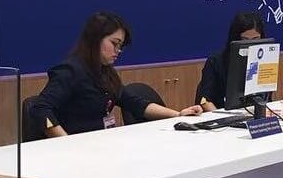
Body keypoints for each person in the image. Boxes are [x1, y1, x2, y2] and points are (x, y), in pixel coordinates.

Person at [29, 12, 202, 138]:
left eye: (120, 46)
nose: (118, 51)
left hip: (104, 143)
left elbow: (134, 103)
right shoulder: (70, 70)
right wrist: (65, 141)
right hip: (77, 148)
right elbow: (41, 108)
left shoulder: (106, 72)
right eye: (114, 44)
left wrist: (177, 115)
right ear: (95, 39)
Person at [195, 12, 266, 112]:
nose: (250, 45)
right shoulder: (215, 62)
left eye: (256, 39)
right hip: (221, 116)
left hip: (253, 116)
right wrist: (220, 119)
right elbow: (205, 101)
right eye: (244, 39)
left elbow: (266, 96)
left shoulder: (264, 60)